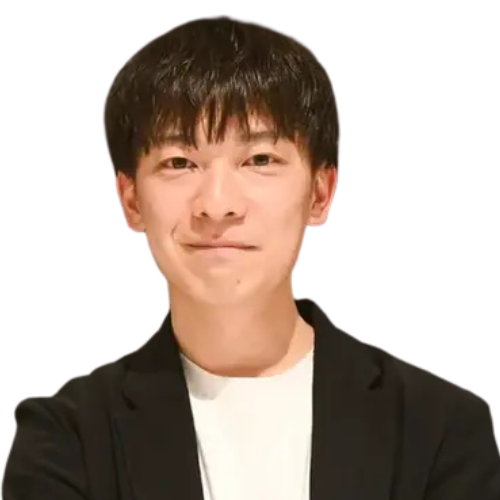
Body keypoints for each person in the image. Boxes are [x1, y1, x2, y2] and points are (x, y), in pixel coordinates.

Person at [2, 14, 499, 500]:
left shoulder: (440, 428)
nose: (217, 204)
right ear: (130, 200)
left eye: (260, 159)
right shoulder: (65, 439)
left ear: (321, 193)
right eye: (180, 162)